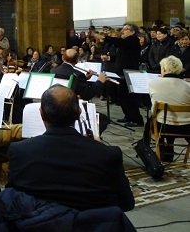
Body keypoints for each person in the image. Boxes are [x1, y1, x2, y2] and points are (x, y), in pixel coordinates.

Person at [7, 85, 135, 212]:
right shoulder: (108, 154)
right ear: (79, 113)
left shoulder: (19, 151)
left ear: (41, 114)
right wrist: (99, 147)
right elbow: (126, 203)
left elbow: (11, 198)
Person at [97, 23, 144, 127]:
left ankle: (136, 119)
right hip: (122, 72)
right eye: (122, 29)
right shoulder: (126, 43)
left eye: (126, 29)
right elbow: (120, 57)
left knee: (129, 97)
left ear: (132, 32)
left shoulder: (133, 40)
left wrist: (105, 37)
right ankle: (128, 116)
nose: (122, 31)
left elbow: (119, 42)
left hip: (129, 72)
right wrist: (109, 58)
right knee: (122, 96)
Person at [148, 56, 190, 162]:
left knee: (154, 118)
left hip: (163, 127)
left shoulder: (154, 84)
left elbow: (154, 109)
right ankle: (169, 146)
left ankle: (160, 149)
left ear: (164, 69)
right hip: (186, 127)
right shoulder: (188, 86)